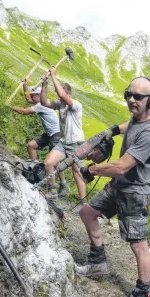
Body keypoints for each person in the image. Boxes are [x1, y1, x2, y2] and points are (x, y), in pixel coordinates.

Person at [77, 76, 150, 297]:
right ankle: (98, 262)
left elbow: (121, 166)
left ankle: (141, 293)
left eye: (139, 97)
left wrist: (91, 169)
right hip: (118, 186)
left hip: (134, 193)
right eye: (129, 95)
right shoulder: (138, 119)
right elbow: (130, 124)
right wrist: (114, 130)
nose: (132, 100)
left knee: (138, 245)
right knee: (87, 213)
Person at [12, 80, 69, 196]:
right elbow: (28, 99)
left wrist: (11, 106)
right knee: (31, 145)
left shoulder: (41, 105)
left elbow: (24, 111)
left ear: (38, 96)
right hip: (49, 134)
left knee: (54, 162)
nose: (31, 99)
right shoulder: (39, 103)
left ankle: (61, 186)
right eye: (31, 96)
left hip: (56, 134)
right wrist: (24, 85)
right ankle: (36, 169)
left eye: (33, 96)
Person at [40, 67, 86, 202]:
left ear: (68, 94)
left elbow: (61, 95)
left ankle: (84, 203)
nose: (60, 95)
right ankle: (52, 190)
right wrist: (44, 84)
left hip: (76, 144)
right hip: (64, 142)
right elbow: (44, 102)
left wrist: (54, 75)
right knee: (49, 162)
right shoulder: (60, 105)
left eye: (63, 93)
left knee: (77, 173)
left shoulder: (76, 105)